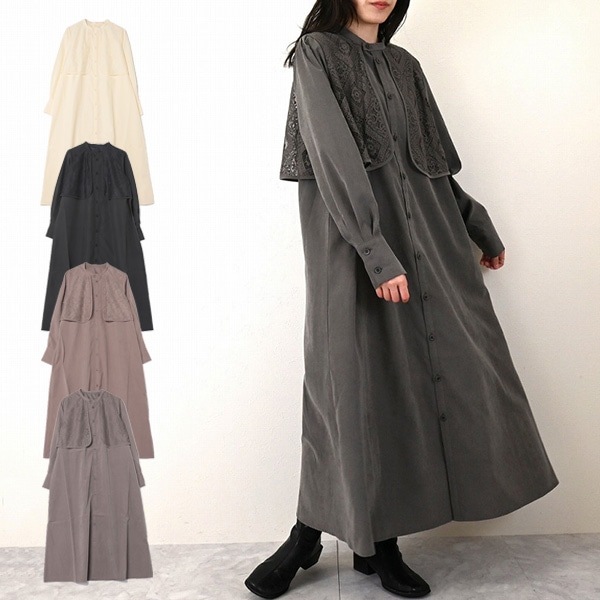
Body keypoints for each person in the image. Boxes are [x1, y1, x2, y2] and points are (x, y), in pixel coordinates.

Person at [245, 1, 559, 597]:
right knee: (350, 387)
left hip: (431, 246)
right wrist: (375, 251)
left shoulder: (406, 65)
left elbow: (431, 166)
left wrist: (477, 224)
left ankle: (372, 540)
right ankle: (313, 535)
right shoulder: (317, 53)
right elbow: (332, 158)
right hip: (352, 246)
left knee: (422, 382)